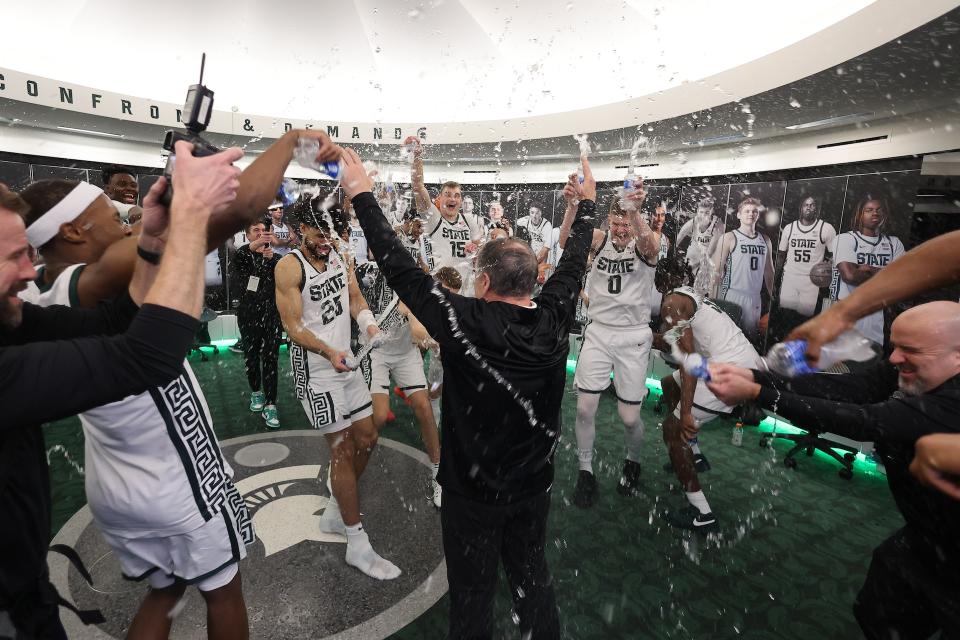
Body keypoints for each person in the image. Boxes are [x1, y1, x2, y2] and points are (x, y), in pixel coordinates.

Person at [343, 147, 596, 640]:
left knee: (473, 596)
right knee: (532, 581)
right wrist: (587, 205)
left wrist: (363, 196)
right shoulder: (554, 318)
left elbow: (399, 269)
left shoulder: (463, 320)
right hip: (533, 490)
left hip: (471, 496)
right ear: (535, 281)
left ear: (482, 281)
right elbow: (575, 262)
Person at [0, 143, 239, 638]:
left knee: (167, 590)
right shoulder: (78, 280)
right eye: (12, 257)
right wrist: (191, 216)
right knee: (225, 588)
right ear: (72, 230)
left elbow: (121, 318)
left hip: (113, 493)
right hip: (169, 477)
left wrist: (153, 240)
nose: (27, 272)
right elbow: (148, 355)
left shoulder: (24, 317)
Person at [707, 301, 960, 640]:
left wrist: (758, 394)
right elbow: (856, 390)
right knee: (880, 608)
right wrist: (757, 377)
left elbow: (865, 421)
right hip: (927, 534)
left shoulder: (952, 402)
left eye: (910, 350)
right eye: (894, 346)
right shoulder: (912, 364)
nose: (895, 358)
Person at [274, 198, 400, 581]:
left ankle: (334, 508)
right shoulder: (288, 266)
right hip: (317, 370)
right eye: (317, 232)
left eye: (330, 230)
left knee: (368, 436)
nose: (326, 238)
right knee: (341, 448)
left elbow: (356, 299)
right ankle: (356, 543)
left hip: (348, 363)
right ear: (298, 231)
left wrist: (369, 325)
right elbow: (293, 327)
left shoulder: (340, 253)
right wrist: (329, 351)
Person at [560, 178, 661, 507]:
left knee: (629, 417)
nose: (620, 230)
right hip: (599, 332)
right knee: (585, 408)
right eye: (616, 223)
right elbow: (565, 241)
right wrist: (572, 206)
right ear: (608, 222)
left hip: (633, 336)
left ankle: (633, 460)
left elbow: (651, 244)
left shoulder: (644, 243)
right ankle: (585, 470)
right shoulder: (600, 239)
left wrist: (636, 212)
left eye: (625, 224)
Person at [652, 257, 764, 531]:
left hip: (731, 370)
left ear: (660, 279)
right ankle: (696, 454)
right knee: (669, 383)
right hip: (740, 361)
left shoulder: (671, 303)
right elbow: (674, 344)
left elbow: (687, 360)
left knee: (672, 429)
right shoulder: (687, 295)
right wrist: (641, 334)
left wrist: (686, 414)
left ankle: (702, 513)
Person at [355, 258, 442, 507]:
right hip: (375, 353)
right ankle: (348, 464)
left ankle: (438, 472)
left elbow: (417, 330)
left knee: (424, 409)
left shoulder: (417, 287)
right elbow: (416, 330)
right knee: (379, 416)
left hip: (405, 354)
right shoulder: (369, 274)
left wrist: (435, 342)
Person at [828, 195, 905, 347]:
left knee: (870, 363)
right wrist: (886, 273)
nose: (875, 213)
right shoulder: (845, 239)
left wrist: (869, 269)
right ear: (860, 215)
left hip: (877, 315)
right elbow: (849, 275)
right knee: (844, 365)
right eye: (869, 210)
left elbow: (902, 279)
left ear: (885, 214)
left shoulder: (894, 243)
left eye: (878, 210)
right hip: (847, 312)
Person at [407, 136, 484, 284]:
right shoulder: (433, 218)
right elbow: (418, 186)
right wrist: (417, 156)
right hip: (440, 290)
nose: (452, 199)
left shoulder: (468, 220)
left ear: (460, 201)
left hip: (465, 289)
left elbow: (480, 251)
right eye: (447, 195)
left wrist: (475, 251)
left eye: (457, 196)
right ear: (439, 199)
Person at [234, 219, 283, 428]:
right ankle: (256, 392)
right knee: (252, 356)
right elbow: (247, 283)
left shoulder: (277, 259)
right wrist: (257, 255)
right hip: (248, 315)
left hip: (272, 315)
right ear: (247, 235)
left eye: (265, 231)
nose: (262, 234)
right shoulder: (241, 256)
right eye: (256, 230)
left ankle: (271, 404)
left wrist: (270, 260)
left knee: (271, 359)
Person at [711, 197, 775, 344]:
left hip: (754, 298)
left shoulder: (765, 240)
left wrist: (773, 299)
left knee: (749, 342)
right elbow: (716, 272)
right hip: (733, 295)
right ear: (739, 215)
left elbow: (769, 272)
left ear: (758, 215)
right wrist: (712, 302)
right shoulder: (729, 238)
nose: (750, 214)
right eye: (747, 211)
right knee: (727, 340)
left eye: (754, 211)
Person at [676, 194, 723, 291]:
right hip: (694, 253)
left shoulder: (718, 224)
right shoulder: (693, 222)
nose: (703, 215)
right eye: (701, 212)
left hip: (709, 255)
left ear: (712, 212)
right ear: (697, 211)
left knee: (703, 287)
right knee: (685, 283)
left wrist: (697, 265)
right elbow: (678, 238)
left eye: (707, 212)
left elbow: (710, 251)